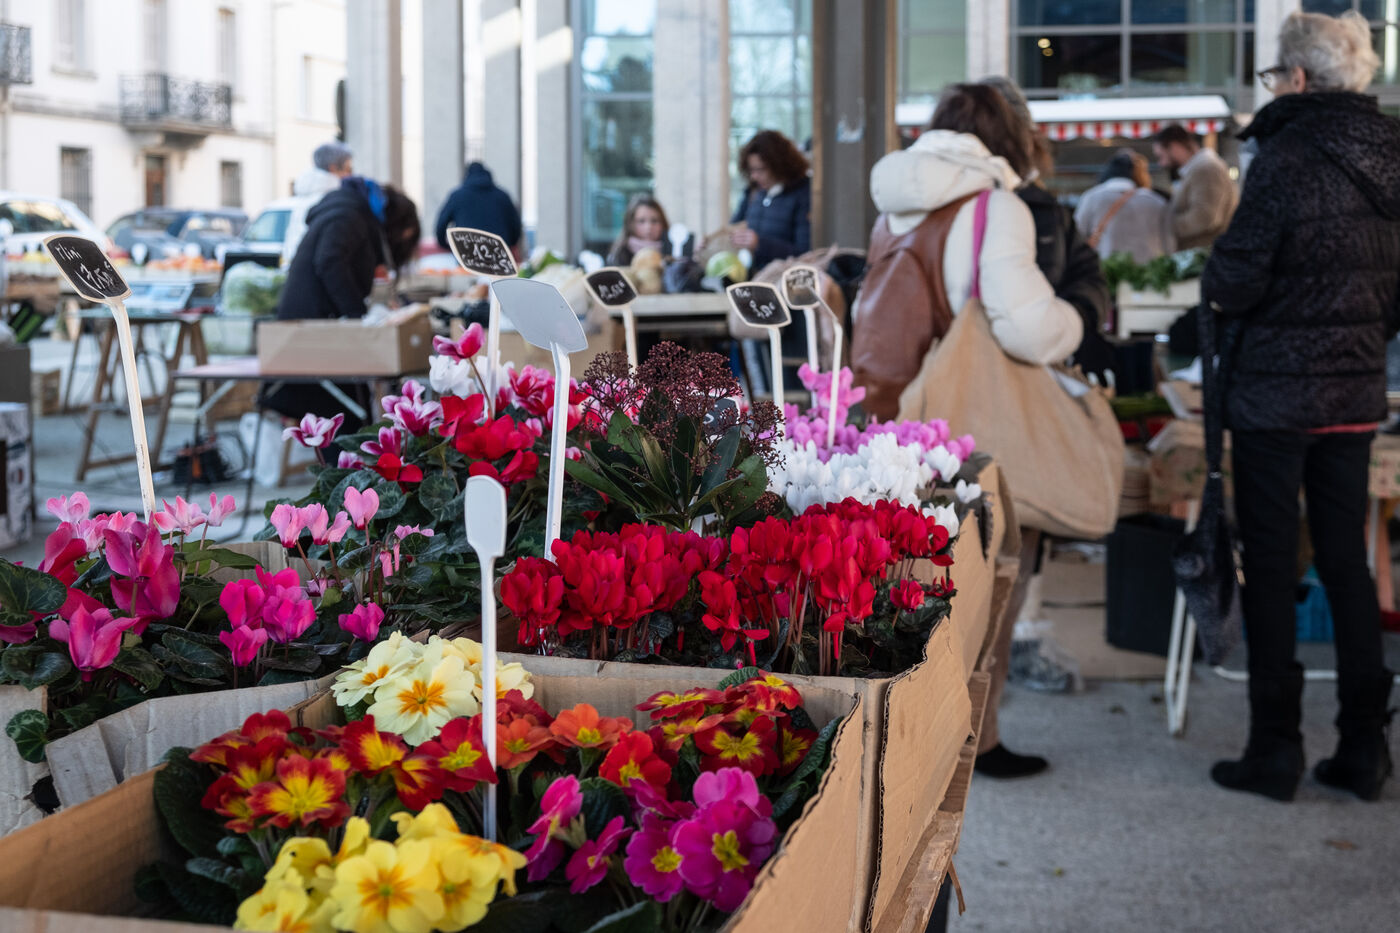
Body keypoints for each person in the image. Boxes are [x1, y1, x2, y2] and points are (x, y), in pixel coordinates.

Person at [852, 83, 1083, 780]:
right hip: (968, 421)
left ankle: (908, 734)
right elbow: (1029, 326)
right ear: (1009, 138)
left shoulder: (894, 206)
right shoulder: (995, 205)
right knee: (993, 576)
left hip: (895, 415)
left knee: (917, 580)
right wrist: (1073, 320)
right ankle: (978, 737)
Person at [1204, 9, 1399, 803]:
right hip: (1354, 391)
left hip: (1274, 398)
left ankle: (1274, 748)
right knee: (1347, 563)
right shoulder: (1392, 152)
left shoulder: (1284, 156)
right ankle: (1365, 748)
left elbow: (1235, 278)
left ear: (1298, 77)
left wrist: (1219, 278)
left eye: (1274, 74)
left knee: (1272, 563)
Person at [980, 75, 1114, 383]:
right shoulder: (950, 205)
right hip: (964, 372)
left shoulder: (1047, 209)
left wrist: (1071, 322)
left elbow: (1089, 277)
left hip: (1037, 377)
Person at [263, 177, 421, 430]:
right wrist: (357, 316)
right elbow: (329, 261)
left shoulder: (351, 211)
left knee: (349, 417)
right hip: (311, 338)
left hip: (313, 333)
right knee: (345, 421)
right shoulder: (349, 215)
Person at [730, 130, 811, 274]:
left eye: (761, 170)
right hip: (749, 276)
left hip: (781, 278)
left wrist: (760, 244)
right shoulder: (753, 192)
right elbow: (734, 228)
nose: (754, 176)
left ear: (779, 165)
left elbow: (805, 253)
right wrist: (713, 243)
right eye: (751, 170)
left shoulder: (803, 193)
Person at [1075, 149, 1175, 263]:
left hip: (1104, 269)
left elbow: (1077, 238)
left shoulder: (1091, 197)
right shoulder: (1156, 201)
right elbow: (1170, 244)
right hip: (1148, 270)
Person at [1153, 124, 1237, 250]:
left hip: (1205, 254)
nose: (1161, 163)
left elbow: (1204, 218)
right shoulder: (1199, 168)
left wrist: (1164, 228)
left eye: (1161, 156)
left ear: (1174, 146)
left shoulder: (1205, 168)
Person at [434, 161, 523, 255]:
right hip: (498, 254)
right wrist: (508, 245)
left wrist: (448, 246)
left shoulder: (457, 196)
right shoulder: (503, 196)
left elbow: (441, 226)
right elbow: (516, 226)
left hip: (467, 254)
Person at [606, 194, 670, 267]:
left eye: (654, 221)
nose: (649, 227)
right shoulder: (619, 256)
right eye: (641, 221)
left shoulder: (673, 251)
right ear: (630, 224)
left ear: (663, 223)